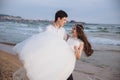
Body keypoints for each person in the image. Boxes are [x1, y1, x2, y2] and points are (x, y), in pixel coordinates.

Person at [13, 10, 76, 80]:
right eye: (64, 19)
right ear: (58, 19)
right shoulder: (49, 29)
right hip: (50, 59)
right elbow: (44, 43)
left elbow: (66, 41)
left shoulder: (63, 31)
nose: (65, 22)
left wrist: (78, 36)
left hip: (59, 58)